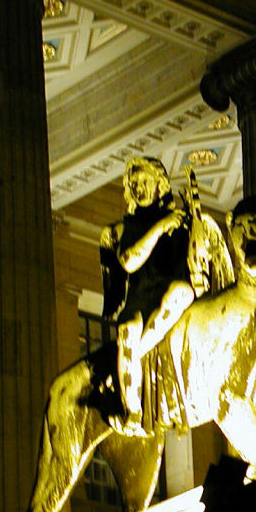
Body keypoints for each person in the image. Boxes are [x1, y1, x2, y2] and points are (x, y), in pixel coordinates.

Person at [99, 157, 233, 434]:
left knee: (179, 293)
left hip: (174, 289)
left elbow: (198, 258)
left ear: (160, 184)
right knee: (126, 329)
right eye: (132, 184)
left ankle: (133, 356)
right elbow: (128, 261)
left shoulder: (183, 221)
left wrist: (191, 220)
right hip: (141, 296)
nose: (137, 188)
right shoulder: (129, 226)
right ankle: (132, 411)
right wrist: (161, 227)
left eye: (143, 181)